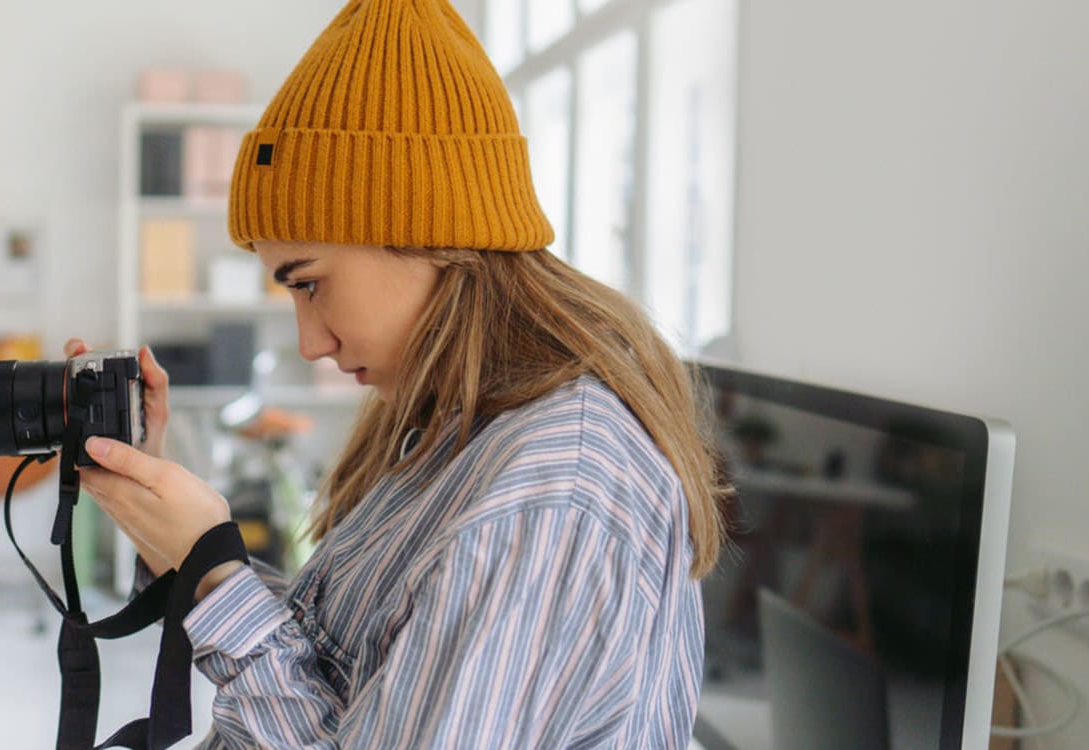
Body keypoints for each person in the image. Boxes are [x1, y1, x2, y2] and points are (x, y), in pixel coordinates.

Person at [68, 0, 733, 745]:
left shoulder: (549, 491)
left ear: (428, 236)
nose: (310, 342)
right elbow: (355, 666)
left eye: (309, 281)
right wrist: (177, 541)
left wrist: (216, 572)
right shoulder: (460, 433)